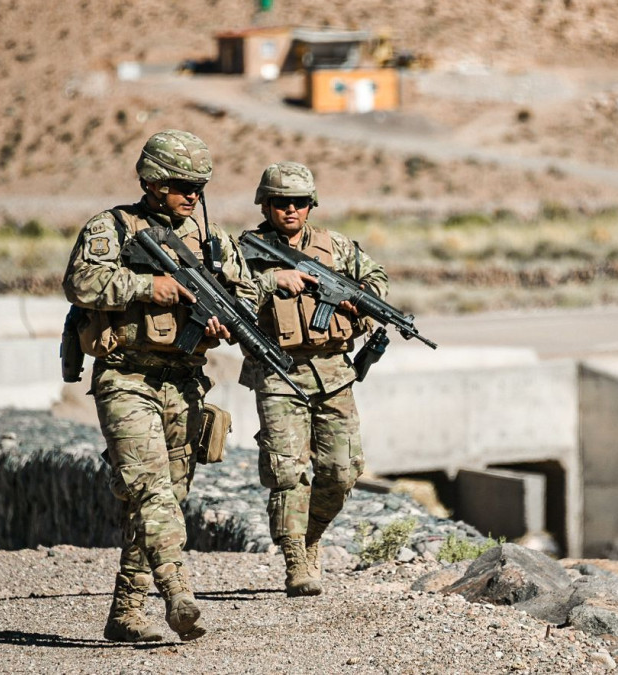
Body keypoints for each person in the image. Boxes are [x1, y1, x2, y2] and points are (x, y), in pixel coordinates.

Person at [63, 129, 256, 642]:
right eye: (180, 184)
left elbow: (247, 299)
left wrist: (225, 322)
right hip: (126, 376)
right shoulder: (112, 228)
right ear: (150, 181)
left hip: (186, 383)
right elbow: (82, 283)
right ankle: (178, 594)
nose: (192, 195)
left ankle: (126, 613)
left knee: (163, 496)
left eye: (199, 185)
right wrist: (151, 286)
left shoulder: (213, 243)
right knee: (150, 490)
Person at [238, 161, 389, 597]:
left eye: (299, 203)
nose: (290, 210)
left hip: (334, 373)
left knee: (342, 471)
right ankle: (295, 561)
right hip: (278, 369)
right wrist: (271, 280)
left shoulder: (336, 246)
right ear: (265, 205)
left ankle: (311, 535)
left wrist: (362, 303)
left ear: (311, 206)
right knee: (287, 471)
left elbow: (375, 278)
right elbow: (225, 289)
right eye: (281, 202)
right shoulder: (244, 249)